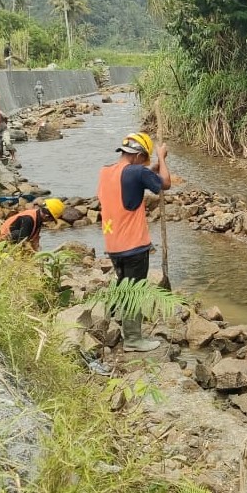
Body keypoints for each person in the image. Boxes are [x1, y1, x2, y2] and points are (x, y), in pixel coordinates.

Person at [97, 131, 171, 352]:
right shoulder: (137, 172)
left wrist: (154, 166)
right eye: (145, 158)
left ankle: (120, 324)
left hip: (113, 244)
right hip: (134, 245)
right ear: (138, 155)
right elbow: (165, 184)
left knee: (124, 285)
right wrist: (163, 158)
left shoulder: (106, 171)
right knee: (135, 291)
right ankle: (133, 340)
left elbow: (137, 179)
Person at [0, 198, 65, 250]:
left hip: (9, 243)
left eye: (51, 218)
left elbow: (34, 241)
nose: (47, 217)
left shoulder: (38, 218)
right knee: (20, 236)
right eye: (51, 219)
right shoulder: (28, 219)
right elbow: (23, 241)